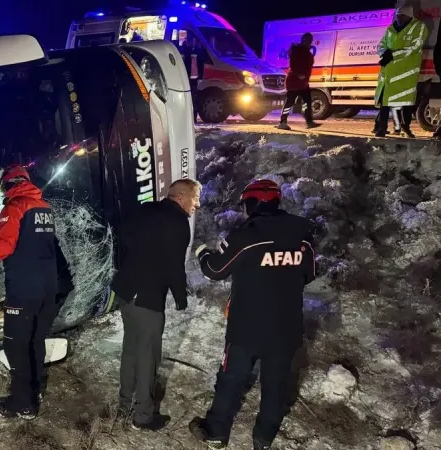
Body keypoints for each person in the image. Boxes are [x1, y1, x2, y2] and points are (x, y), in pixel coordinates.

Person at [188, 179, 316, 450]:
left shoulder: (246, 235)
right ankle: (263, 440)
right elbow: (309, 274)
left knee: (230, 378)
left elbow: (214, 270)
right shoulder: (302, 232)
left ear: (252, 203)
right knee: (276, 385)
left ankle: (216, 432)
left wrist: (202, 254)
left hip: (246, 326)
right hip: (286, 326)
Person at [0, 164, 62, 419]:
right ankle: (33, 390)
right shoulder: (44, 208)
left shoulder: (14, 208)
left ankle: (21, 402)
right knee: (36, 340)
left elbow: (3, 247)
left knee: (16, 344)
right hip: (48, 287)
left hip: (24, 289)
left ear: (8, 185)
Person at [108, 178, 201, 431]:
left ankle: (124, 405)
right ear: (180, 197)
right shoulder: (178, 222)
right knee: (148, 356)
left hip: (126, 292)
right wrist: (180, 297)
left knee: (131, 349)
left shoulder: (145, 209)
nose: (197, 204)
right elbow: (174, 265)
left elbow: (123, 237)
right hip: (148, 297)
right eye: (195, 198)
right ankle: (143, 417)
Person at [373, 5, 428, 138]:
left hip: (406, 73)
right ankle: (382, 128)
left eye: (402, 16)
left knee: (406, 103)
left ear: (409, 16)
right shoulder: (390, 29)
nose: (398, 18)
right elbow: (381, 45)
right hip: (389, 73)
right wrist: (385, 53)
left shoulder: (419, 27)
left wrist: (392, 55)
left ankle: (405, 127)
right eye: (397, 15)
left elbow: (415, 47)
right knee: (385, 102)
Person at [276, 33, 319, 131]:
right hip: (294, 82)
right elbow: (292, 65)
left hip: (303, 83)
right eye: (307, 40)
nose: (309, 42)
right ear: (303, 40)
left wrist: (305, 78)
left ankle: (309, 122)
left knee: (307, 102)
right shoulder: (297, 51)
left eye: (310, 40)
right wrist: (298, 74)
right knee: (289, 102)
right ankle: (282, 122)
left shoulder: (307, 52)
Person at [181, 39, 207, 122]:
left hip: (193, 79)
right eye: (191, 41)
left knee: (194, 99)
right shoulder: (186, 50)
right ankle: (189, 117)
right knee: (189, 98)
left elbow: (201, 64)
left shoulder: (195, 51)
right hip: (187, 78)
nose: (192, 42)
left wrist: (201, 75)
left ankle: (193, 117)